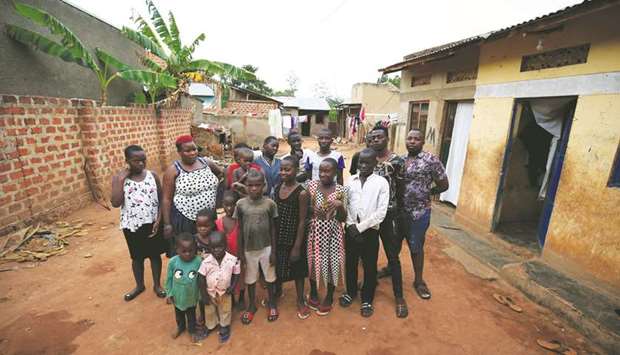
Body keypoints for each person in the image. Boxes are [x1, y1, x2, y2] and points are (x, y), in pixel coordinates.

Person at [111, 145, 167, 301]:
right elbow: (115, 202)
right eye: (137, 161)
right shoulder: (119, 179)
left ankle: (157, 285)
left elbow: (161, 198)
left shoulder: (152, 175)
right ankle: (139, 285)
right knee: (137, 257)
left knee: (155, 255)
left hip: (152, 222)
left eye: (144, 160)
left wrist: (159, 219)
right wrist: (121, 180)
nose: (141, 164)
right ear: (127, 161)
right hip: (132, 225)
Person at [397, 129, 449, 300]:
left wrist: (427, 192)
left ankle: (419, 281)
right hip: (399, 212)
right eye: (409, 138)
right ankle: (391, 269)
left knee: (416, 247)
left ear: (422, 142)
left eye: (416, 139)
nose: (412, 141)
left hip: (419, 213)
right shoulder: (401, 160)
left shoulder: (430, 160)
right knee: (394, 244)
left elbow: (444, 185)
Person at [339, 148, 389, 317]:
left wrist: (359, 228)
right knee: (350, 263)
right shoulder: (350, 181)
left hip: (370, 232)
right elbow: (345, 206)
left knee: (369, 266)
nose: (364, 165)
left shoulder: (381, 183)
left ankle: (367, 298)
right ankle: (351, 292)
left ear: (375, 163)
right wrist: (350, 225)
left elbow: (381, 213)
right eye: (361, 162)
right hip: (351, 230)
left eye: (368, 162)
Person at [366, 123, 409, 318]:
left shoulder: (397, 161)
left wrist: (398, 212)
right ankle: (369, 287)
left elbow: (401, 188)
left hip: (389, 214)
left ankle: (399, 297)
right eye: (373, 137)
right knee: (369, 254)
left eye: (379, 137)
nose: (376, 140)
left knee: (392, 256)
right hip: (369, 215)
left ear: (387, 138)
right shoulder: (366, 158)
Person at [162, 135, 222, 256]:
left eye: (194, 149)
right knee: (189, 251)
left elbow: (221, 174)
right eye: (187, 150)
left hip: (208, 218)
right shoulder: (173, 171)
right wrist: (167, 224)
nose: (192, 153)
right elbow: (166, 199)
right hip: (185, 218)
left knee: (209, 250)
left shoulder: (207, 163)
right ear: (179, 152)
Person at [234, 169, 279, 324]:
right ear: (246, 186)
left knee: (270, 278)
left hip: (266, 247)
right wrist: (240, 253)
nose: (254, 188)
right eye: (250, 185)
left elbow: (273, 228)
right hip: (248, 249)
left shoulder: (269, 204)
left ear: (264, 185)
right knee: (250, 279)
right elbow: (239, 228)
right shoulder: (240, 204)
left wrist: (274, 251)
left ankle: (272, 303)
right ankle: (251, 305)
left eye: (258, 185)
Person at [306, 158, 347, 316]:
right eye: (321, 170)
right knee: (313, 260)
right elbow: (306, 208)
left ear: (336, 172)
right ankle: (314, 293)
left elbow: (343, 218)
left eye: (327, 171)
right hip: (315, 231)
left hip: (333, 233)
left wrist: (340, 206)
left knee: (332, 263)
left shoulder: (341, 190)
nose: (323, 174)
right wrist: (312, 210)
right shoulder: (312, 186)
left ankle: (329, 296)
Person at [274, 156, 310, 319]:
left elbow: (303, 220)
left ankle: (300, 299)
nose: (283, 172)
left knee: (298, 270)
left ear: (296, 170)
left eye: (287, 169)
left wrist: (297, 246)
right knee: (279, 265)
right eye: (281, 169)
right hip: (279, 234)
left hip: (295, 237)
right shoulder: (277, 188)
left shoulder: (301, 193)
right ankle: (278, 291)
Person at [198, 231, 241, 343]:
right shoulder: (206, 262)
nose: (216, 250)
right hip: (210, 293)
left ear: (225, 246)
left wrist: (233, 286)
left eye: (219, 247)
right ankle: (210, 325)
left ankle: (224, 326)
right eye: (213, 248)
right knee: (209, 310)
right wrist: (204, 295)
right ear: (209, 248)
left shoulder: (233, 260)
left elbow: (236, 274)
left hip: (225, 292)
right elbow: (201, 279)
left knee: (225, 310)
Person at [165, 232, 202, 343]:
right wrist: (169, 293)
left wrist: (201, 295)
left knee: (191, 316)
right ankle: (180, 327)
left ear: (195, 249)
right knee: (179, 315)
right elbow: (169, 279)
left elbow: (201, 280)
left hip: (192, 296)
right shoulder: (173, 262)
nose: (187, 254)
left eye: (191, 251)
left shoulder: (198, 261)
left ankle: (192, 331)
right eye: (184, 251)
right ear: (177, 249)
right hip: (177, 297)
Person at [216, 190, 245, 310]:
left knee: (241, 277)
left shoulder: (240, 221)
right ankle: (232, 299)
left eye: (232, 205)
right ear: (222, 204)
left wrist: (242, 254)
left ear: (236, 205)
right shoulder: (218, 223)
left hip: (239, 255)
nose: (229, 208)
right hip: (225, 258)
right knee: (229, 277)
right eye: (226, 205)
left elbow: (243, 239)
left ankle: (242, 297)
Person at [194, 207, 217, 337]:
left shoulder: (216, 238)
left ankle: (217, 318)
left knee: (215, 296)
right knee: (203, 298)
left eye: (206, 226)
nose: (202, 228)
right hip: (200, 276)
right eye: (199, 226)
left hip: (214, 275)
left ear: (212, 225)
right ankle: (203, 316)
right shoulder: (194, 239)